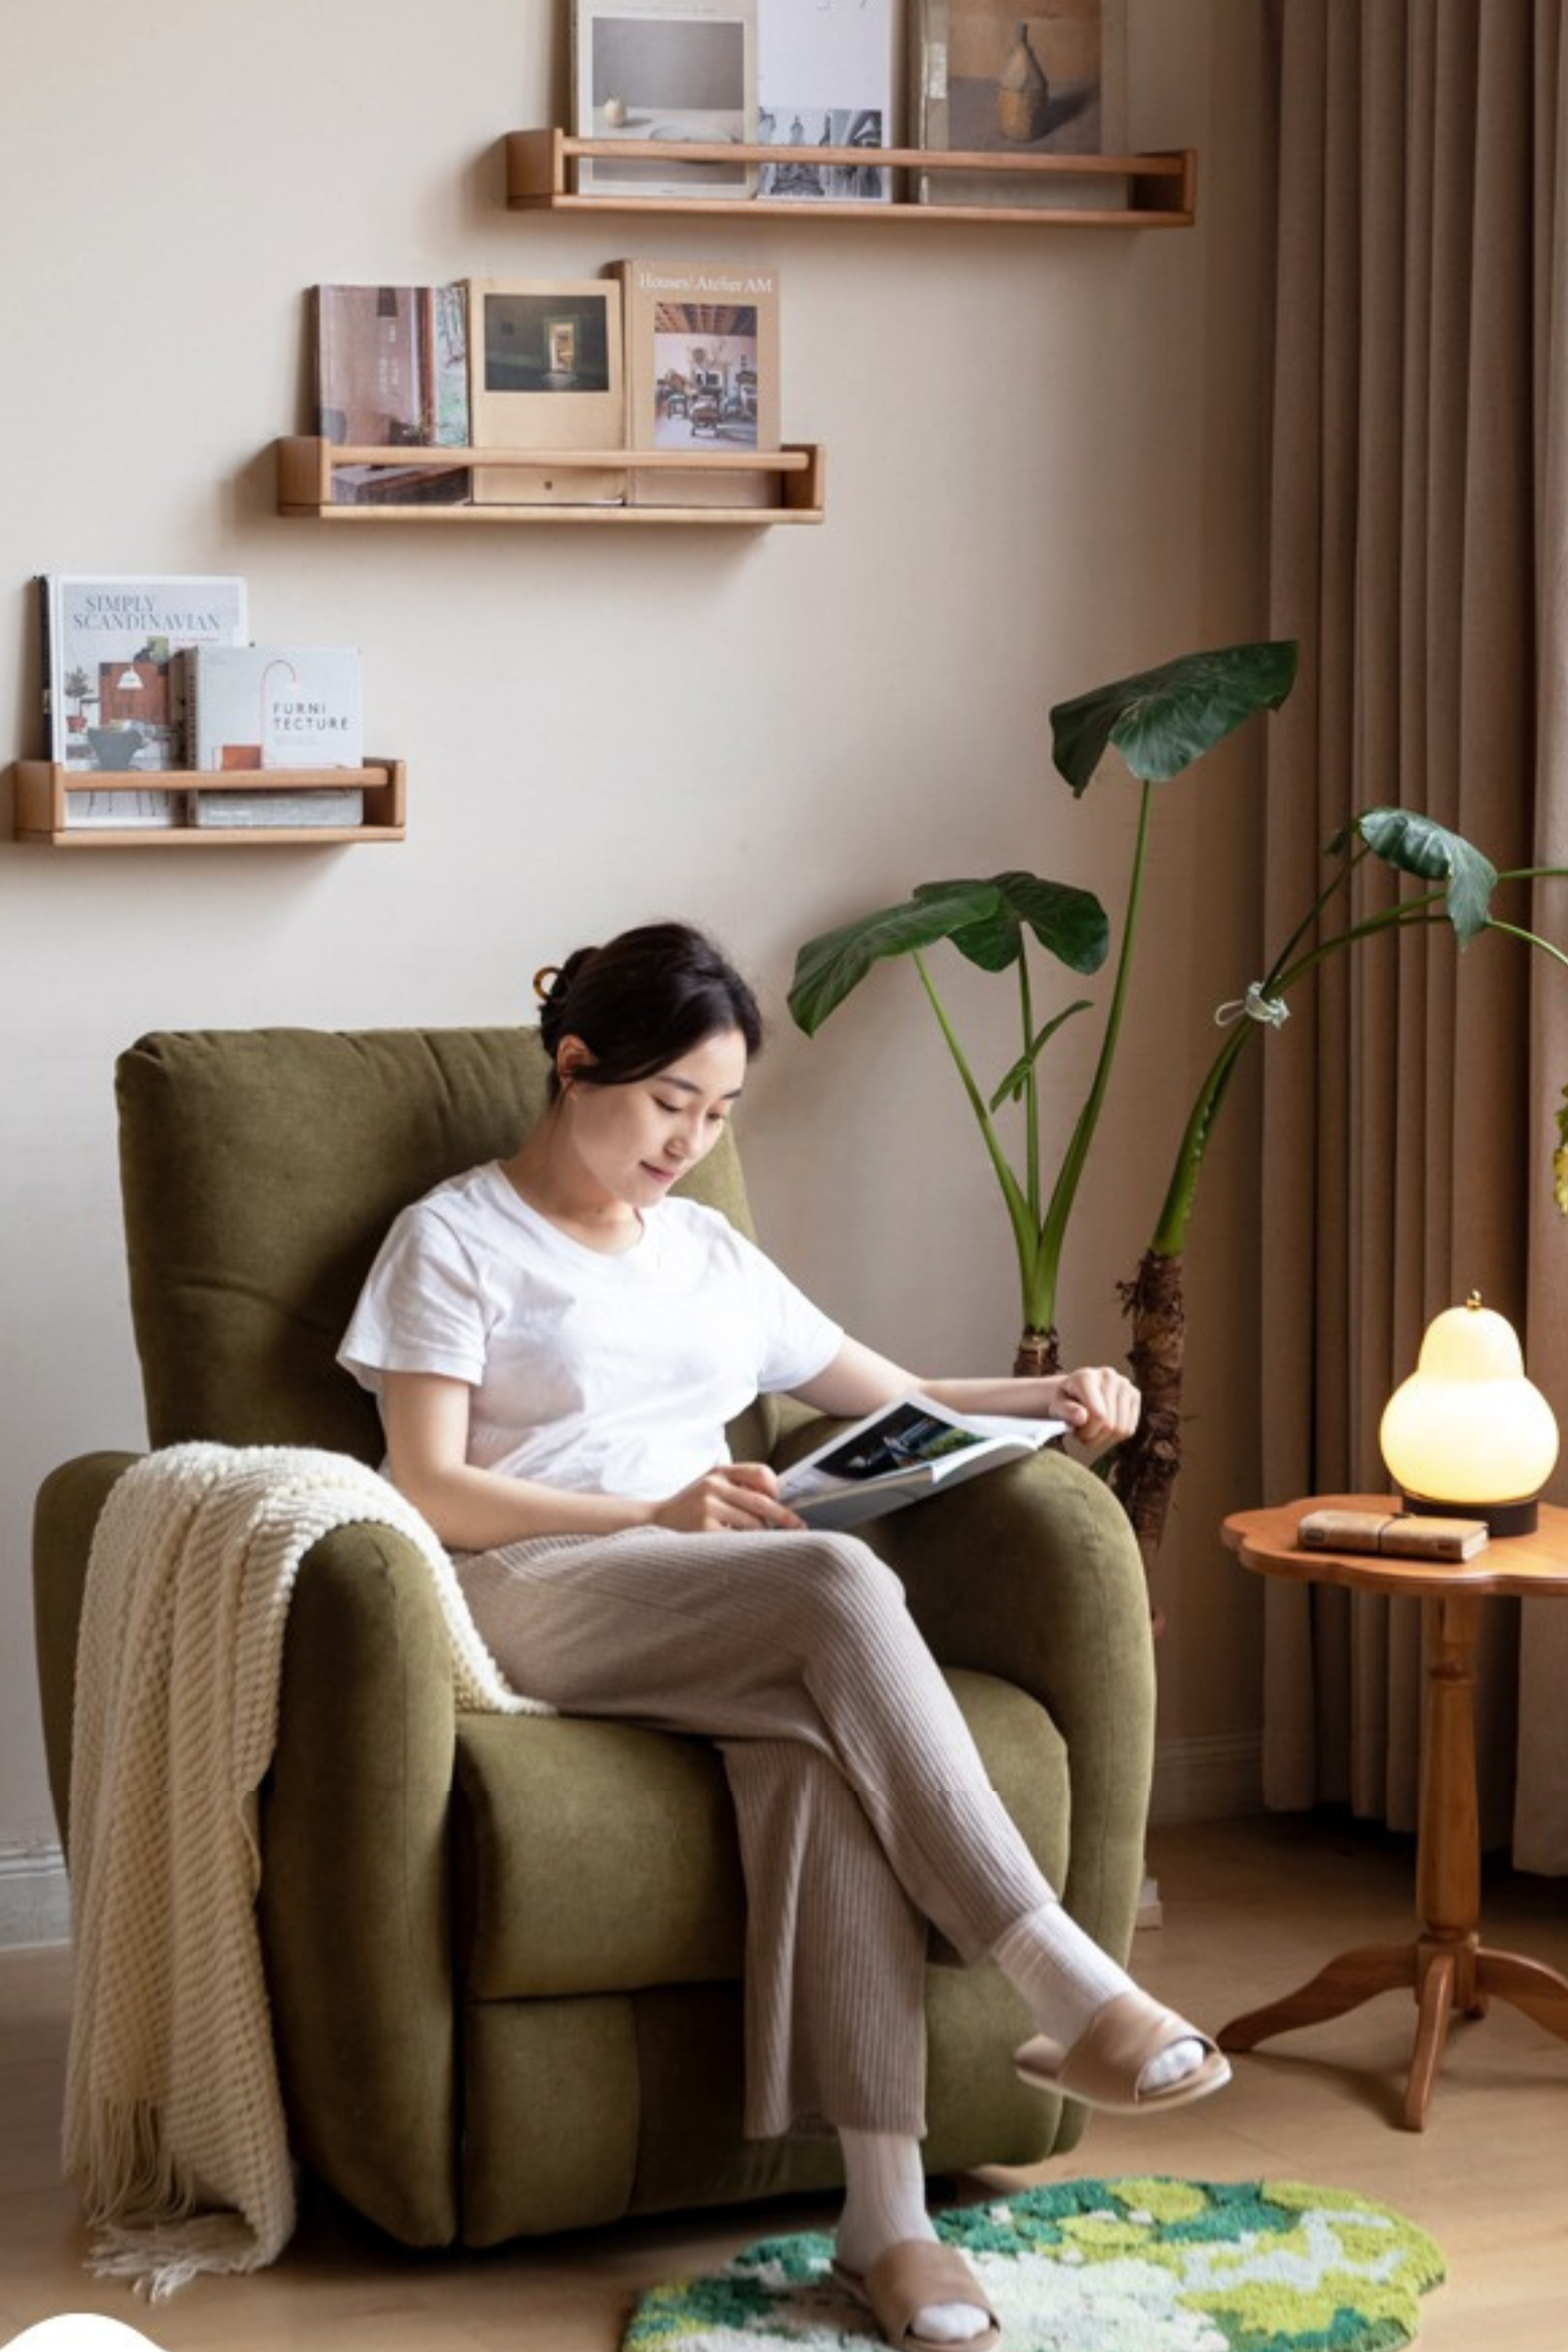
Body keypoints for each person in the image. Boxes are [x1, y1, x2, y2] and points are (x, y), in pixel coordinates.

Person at [338, 920, 1228, 2352]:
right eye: (667, 1103)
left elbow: (882, 1396)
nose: (690, 1141)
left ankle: (888, 2218)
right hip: (538, 1594)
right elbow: (421, 1485)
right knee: (836, 1585)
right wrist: (649, 1507)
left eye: (720, 1114)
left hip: (718, 1595)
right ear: (577, 1066)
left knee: (825, 1759)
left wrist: (1050, 1396)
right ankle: (1069, 1977)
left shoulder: (705, 1249)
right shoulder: (455, 1239)